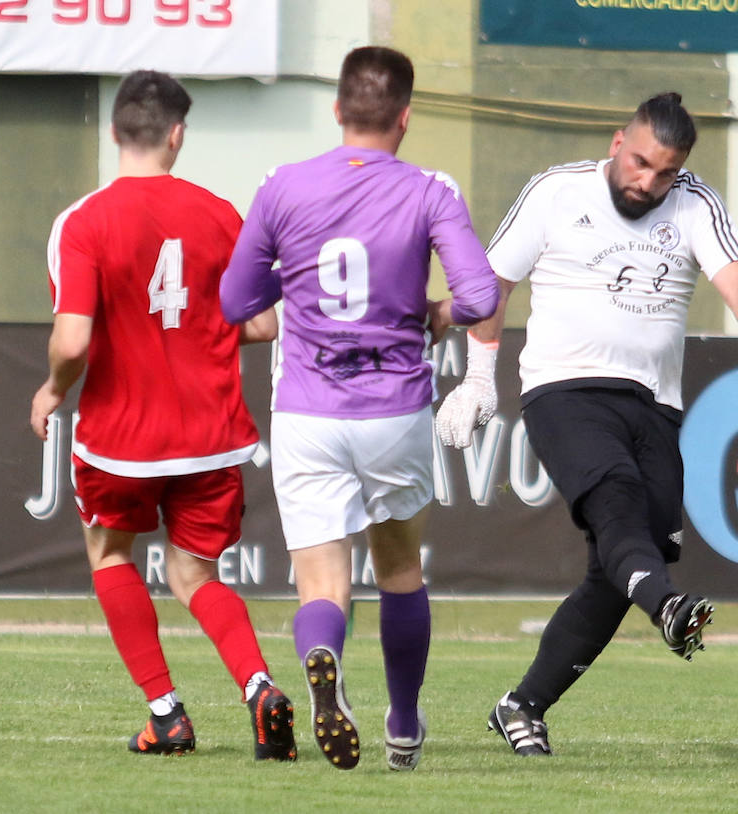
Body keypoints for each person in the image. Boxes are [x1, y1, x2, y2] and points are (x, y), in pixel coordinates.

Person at [435, 92, 738, 757]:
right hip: (564, 392)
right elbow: (492, 286)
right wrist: (479, 380)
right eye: (640, 163)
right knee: (617, 506)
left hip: (655, 405)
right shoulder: (554, 193)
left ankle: (522, 705)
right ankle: (670, 610)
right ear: (616, 142)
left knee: (621, 563)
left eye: (664, 171)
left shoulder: (693, 203)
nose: (648, 182)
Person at [220, 46, 500, 771]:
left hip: (308, 411)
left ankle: (321, 653)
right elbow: (480, 297)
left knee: (321, 580)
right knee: (401, 570)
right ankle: (402, 727)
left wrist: (300, 289)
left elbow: (234, 302)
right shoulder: (431, 189)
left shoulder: (282, 186)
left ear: (338, 110)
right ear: (406, 117)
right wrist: (434, 311)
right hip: (393, 409)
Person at [29, 70, 296, 762]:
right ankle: (259, 686)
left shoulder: (81, 222)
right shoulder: (219, 214)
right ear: (178, 135)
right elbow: (264, 324)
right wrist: (196, 332)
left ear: (115, 132)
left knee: (111, 555)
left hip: (120, 441)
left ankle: (166, 715)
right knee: (196, 577)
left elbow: (74, 339)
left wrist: (55, 389)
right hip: (211, 437)